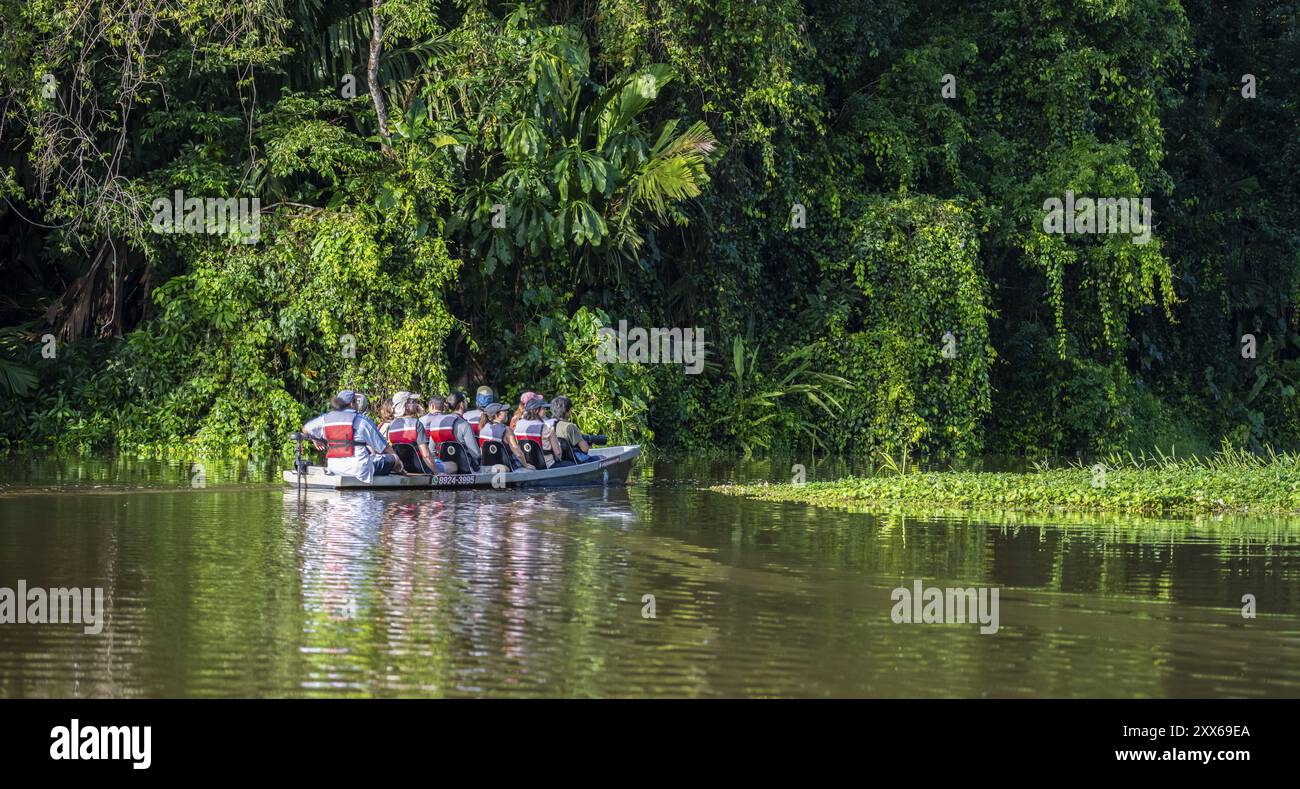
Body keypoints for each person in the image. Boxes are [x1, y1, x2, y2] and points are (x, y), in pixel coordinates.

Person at [302, 390, 398, 482]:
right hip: (359, 469)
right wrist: (397, 459)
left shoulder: (325, 418)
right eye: (356, 402)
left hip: (334, 467)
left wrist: (315, 439)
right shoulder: (362, 420)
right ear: (352, 404)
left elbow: (305, 429)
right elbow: (384, 447)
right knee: (391, 459)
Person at [384, 391, 442, 473]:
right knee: (453, 465)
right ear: (405, 406)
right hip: (421, 468)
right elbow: (426, 455)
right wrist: (437, 472)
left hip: (402, 469)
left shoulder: (390, 426)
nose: (417, 404)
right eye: (413, 402)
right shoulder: (416, 424)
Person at [514, 396, 566, 469]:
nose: (544, 411)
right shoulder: (546, 427)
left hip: (527, 464)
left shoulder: (518, 424)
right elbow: (558, 453)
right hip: (546, 465)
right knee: (571, 464)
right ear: (536, 410)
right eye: (543, 408)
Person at [479, 403, 532, 471]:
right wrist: (526, 465)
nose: (506, 412)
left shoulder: (482, 428)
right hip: (505, 467)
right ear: (497, 415)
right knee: (532, 468)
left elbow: (481, 451)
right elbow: (518, 454)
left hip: (486, 467)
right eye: (504, 411)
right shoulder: (506, 430)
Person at [550, 395, 596, 463]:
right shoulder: (570, 426)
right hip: (573, 461)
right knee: (601, 458)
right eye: (570, 409)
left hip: (558, 461)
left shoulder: (549, 425)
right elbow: (585, 449)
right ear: (566, 411)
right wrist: (588, 443)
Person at [443, 391, 481, 472]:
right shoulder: (464, 424)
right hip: (464, 468)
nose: (467, 403)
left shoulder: (441, 422)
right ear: (461, 404)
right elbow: (476, 454)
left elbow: (431, 451)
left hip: (444, 466)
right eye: (465, 401)